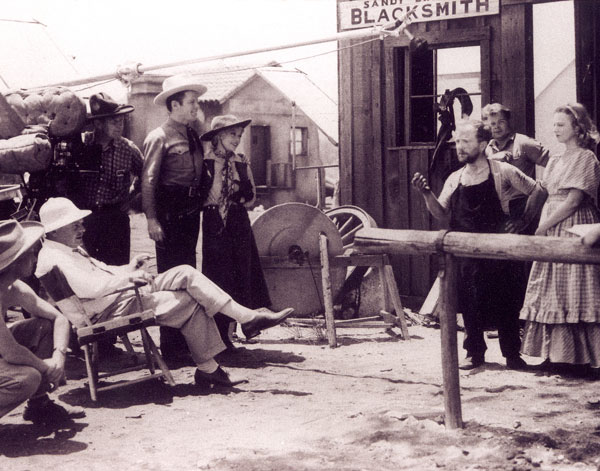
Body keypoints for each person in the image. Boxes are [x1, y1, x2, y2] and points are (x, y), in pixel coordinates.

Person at [35, 197, 294, 387]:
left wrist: (128, 268)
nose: (82, 230)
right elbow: (91, 288)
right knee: (190, 301)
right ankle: (211, 365)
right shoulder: (55, 258)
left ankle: (246, 320)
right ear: (55, 230)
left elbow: (103, 274)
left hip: (119, 297)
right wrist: (130, 279)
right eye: (75, 226)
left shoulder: (66, 250)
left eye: (80, 224)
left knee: (185, 272)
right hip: (109, 310)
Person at [412, 119, 546, 370]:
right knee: (470, 304)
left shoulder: (502, 171)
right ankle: (475, 353)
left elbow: (538, 190)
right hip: (466, 257)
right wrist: (426, 193)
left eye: (465, 142)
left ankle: (512, 355)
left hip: (499, 254)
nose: (459, 147)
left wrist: (522, 221)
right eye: (458, 142)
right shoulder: (456, 178)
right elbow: (441, 214)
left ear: (483, 144)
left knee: (507, 304)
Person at [520, 103, 600, 374]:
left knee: (574, 287)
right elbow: (542, 191)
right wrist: (533, 222)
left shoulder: (586, 158)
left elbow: (575, 200)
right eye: (553, 124)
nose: (555, 129)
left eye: (561, 125)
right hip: (551, 221)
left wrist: (544, 226)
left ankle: (582, 360)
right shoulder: (554, 159)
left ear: (577, 129)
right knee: (550, 286)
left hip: (573, 226)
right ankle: (555, 355)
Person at [142, 74, 207, 360]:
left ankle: (187, 343)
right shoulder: (159, 137)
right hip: (168, 214)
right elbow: (148, 182)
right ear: (175, 104)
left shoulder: (191, 133)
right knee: (170, 280)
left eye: (196, 102)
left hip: (190, 213)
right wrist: (152, 219)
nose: (196, 108)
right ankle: (170, 347)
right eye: (191, 103)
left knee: (189, 273)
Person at [0, 219, 84, 426]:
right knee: (27, 378)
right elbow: (12, 352)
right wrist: (47, 369)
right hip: (5, 351)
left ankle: (39, 405)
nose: (34, 255)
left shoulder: (13, 288)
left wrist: (59, 356)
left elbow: (59, 318)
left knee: (44, 327)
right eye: (29, 252)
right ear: (14, 261)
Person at [199, 115, 271, 350]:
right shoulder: (204, 161)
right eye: (232, 134)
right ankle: (219, 335)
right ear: (218, 136)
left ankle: (241, 328)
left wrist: (240, 197)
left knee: (242, 273)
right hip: (214, 221)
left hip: (238, 222)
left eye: (239, 135)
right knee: (218, 276)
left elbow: (251, 198)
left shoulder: (241, 162)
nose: (237, 139)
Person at [72, 92, 143, 266]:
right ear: (98, 123)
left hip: (115, 219)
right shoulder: (82, 146)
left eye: (122, 120)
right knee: (87, 270)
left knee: (118, 271)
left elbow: (146, 175)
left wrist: (131, 197)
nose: (120, 125)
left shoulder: (127, 149)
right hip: (86, 219)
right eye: (114, 121)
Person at [482, 103, 549, 233]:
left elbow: (553, 165)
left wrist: (544, 187)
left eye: (501, 122)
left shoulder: (523, 143)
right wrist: (494, 159)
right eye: (493, 124)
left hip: (523, 208)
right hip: (497, 210)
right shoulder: (487, 149)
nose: (496, 127)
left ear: (508, 121)